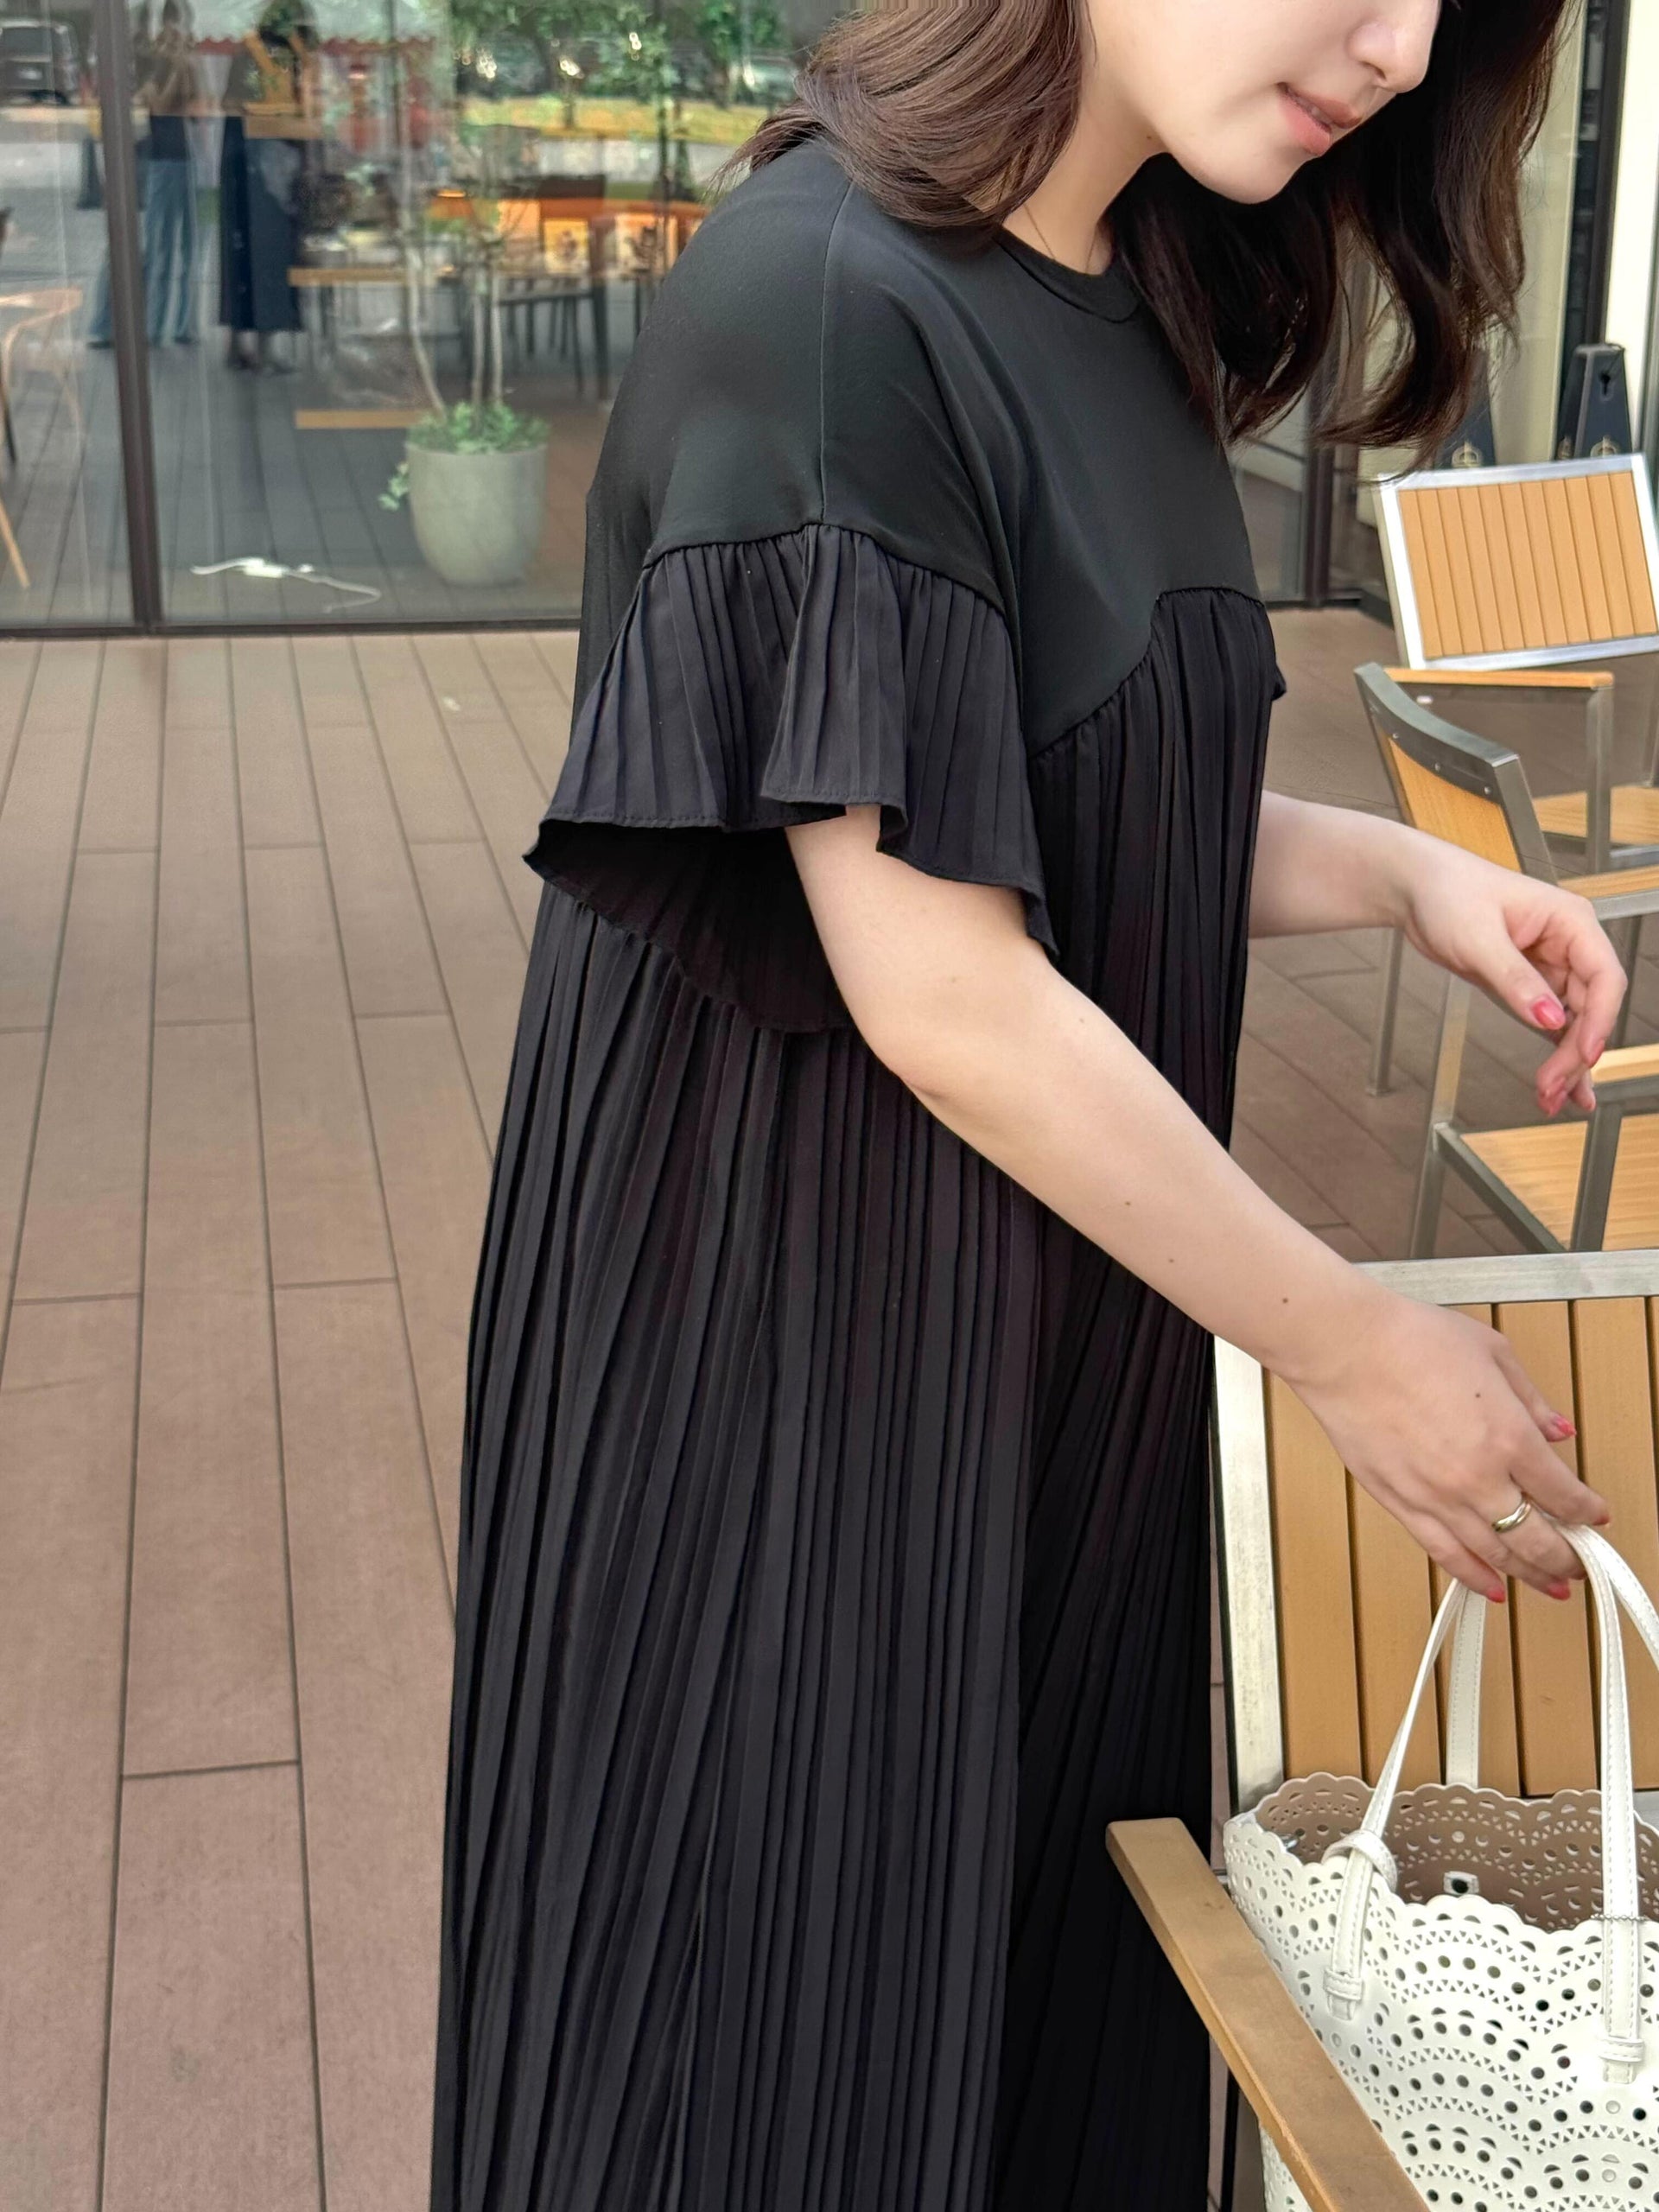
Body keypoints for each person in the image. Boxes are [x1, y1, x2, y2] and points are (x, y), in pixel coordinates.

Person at [429, 3, 1620, 2208]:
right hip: (787, 1388)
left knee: (1023, 2007)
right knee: (770, 2061)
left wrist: (1400, 873)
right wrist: (1356, 1342)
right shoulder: (824, 303)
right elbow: (945, 990)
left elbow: (1043, 788)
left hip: (1043, 1345)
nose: (1399, 46)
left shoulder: (1124, 295)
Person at [139, 0, 200, 345]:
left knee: (190, 248)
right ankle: (153, 326)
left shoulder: (185, 66)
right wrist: (178, 67)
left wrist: (187, 68)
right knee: (159, 247)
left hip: (187, 161)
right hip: (162, 162)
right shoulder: (154, 66)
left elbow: (196, 106)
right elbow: (160, 106)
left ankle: (184, 325)